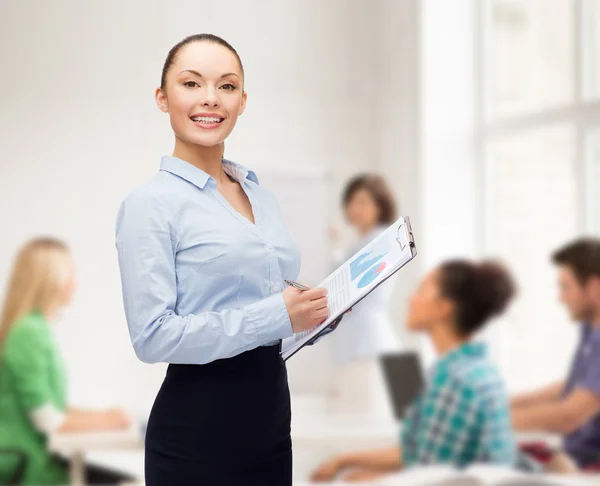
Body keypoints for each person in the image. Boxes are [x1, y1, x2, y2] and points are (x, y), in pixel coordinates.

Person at [115, 34, 330, 486]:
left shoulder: (259, 193)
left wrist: (310, 312)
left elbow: (266, 301)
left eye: (226, 86)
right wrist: (275, 315)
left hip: (271, 422)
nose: (210, 99)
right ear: (162, 97)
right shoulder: (150, 204)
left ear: (243, 100)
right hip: (197, 435)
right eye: (191, 84)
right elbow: (152, 337)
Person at [311, 259, 517, 483]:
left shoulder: (454, 380)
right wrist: (345, 460)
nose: (411, 298)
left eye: (422, 290)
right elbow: (417, 454)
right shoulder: (475, 369)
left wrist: (370, 479)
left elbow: (431, 476)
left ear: (444, 308)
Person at [0, 238, 132, 485]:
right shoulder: (29, 333)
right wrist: (108, 421)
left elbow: (51, 406)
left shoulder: (34, 329)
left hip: (33, 460)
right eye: (70, 273)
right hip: (25, 465)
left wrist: (104, 415)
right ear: (51, 280)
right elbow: (49, 420)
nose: (75, 282)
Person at [512, 238, 600, 471]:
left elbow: (569, 415)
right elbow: (573, 388)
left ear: (593, 287)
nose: (560, 297)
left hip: (589, 467)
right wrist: (505, 403)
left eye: (565, 287)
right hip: (574, 458)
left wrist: (490, 422)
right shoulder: (590, 332)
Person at [328, 174, 400, 416]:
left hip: (368, 349)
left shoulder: (380, 240)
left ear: (380, 206)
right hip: (362, 347)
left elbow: (346, 287)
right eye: (352, 201)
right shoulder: (361, 244)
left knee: (365, 424)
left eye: (363, 202)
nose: (355, 208)